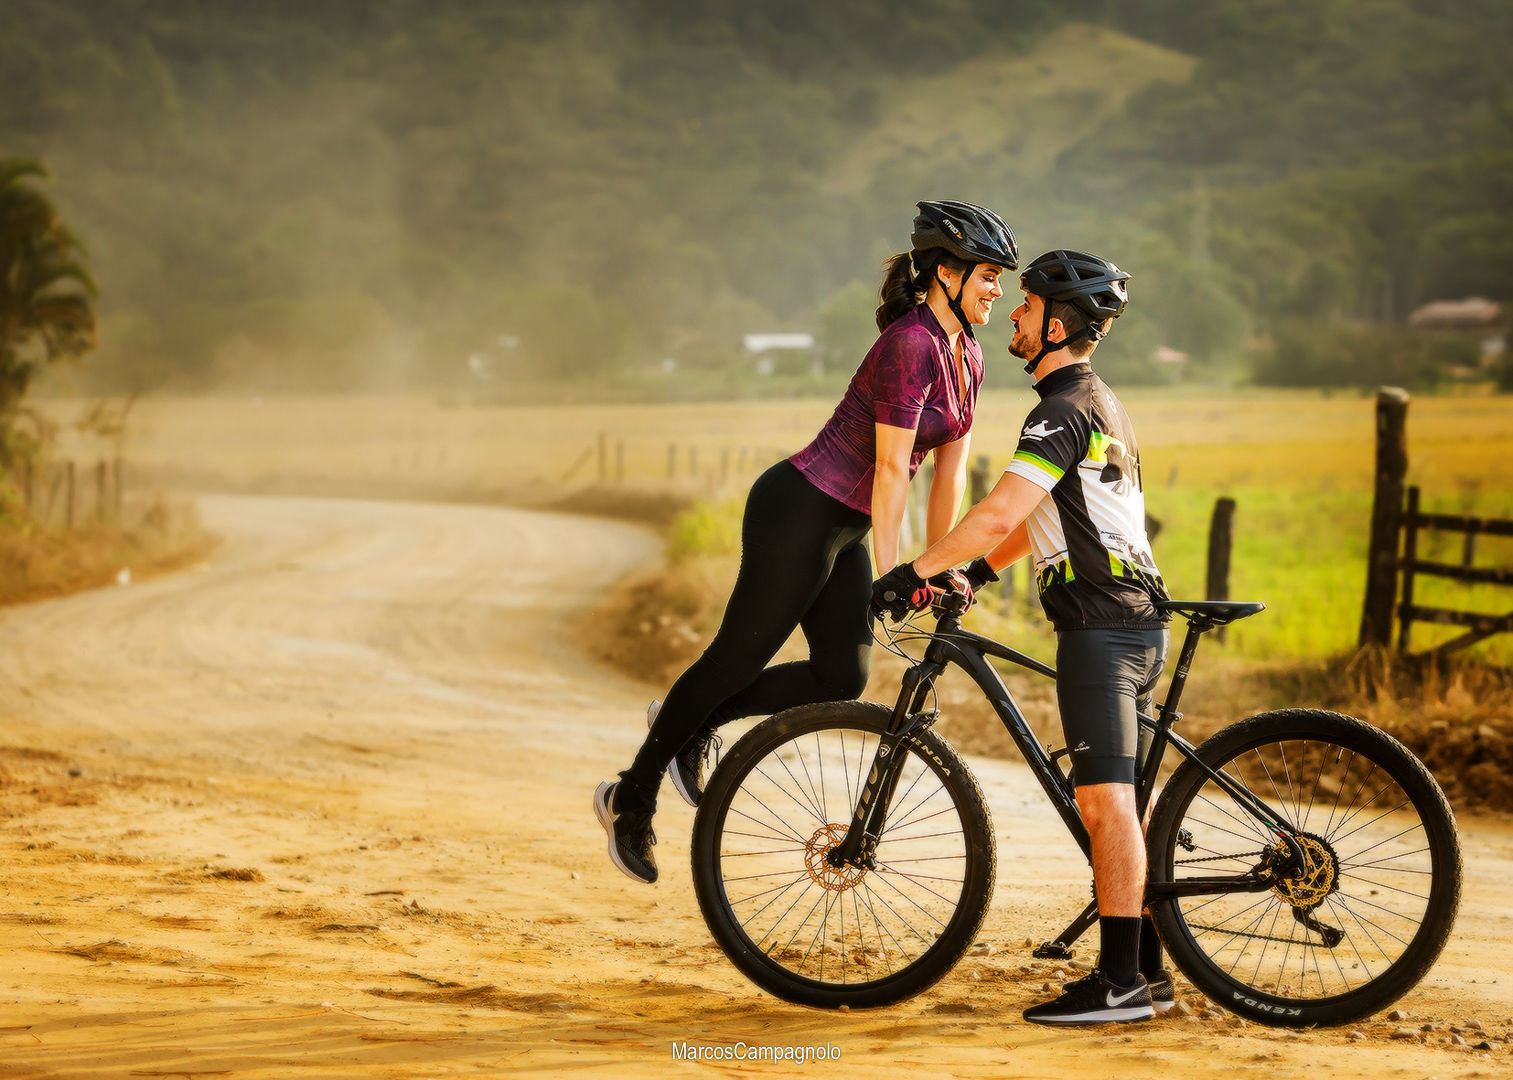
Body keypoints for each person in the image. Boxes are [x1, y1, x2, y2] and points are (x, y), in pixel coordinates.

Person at [595, 200, 1019, 885]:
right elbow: (889, 470)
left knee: (839, 676)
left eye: (1000, 278)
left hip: (842, 524)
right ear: (945, 271)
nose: (998, 289)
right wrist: (897, 570)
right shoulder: (909, 345)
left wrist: (937, 565)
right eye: (988, 275)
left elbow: (948, 476)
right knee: (734, 658)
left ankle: (689, 722)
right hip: (798, 509)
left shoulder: (966, 353)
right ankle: (630, 797)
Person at [872, 250, 1172, 1025]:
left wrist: (912, 570)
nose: (1012, 312)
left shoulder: (1058, 408)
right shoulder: (1094, 400)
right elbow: (1038, 516)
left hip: (1103, 630)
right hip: (1129, 622)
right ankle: (1148, 968)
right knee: (1118, 804)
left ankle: (1120, 988)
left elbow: (999, 511)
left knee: (1104, 804)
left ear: (1056, 324)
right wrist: (977, 574)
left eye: (1027, 304)